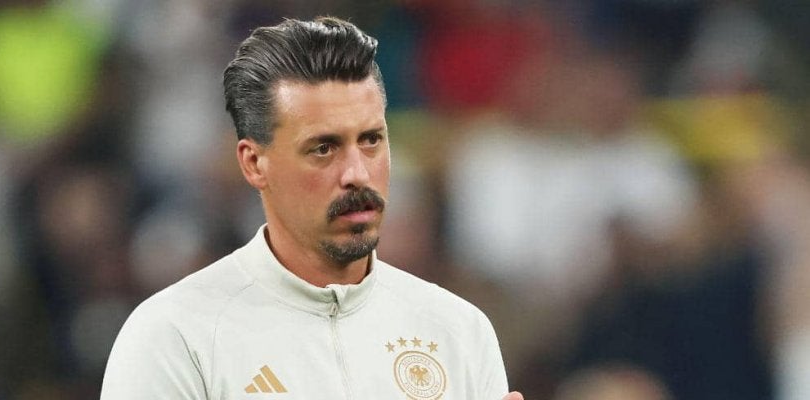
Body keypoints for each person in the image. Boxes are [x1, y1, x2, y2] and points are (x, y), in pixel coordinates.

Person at [101, 16, 523, 400]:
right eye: (324, 148)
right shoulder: (175, 336)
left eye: (371, 140)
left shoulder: (458, 331)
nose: (357, 173)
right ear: (254, 163)